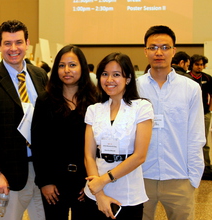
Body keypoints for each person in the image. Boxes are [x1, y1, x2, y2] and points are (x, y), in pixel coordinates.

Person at [0, 20, 48, 220]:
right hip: (9, 173)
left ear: (27, 43)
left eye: (18, 42)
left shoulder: (40, 76)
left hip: (42, 171)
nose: (13, 48)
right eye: (7, 43)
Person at [136, 25, 205, 220]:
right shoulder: (134, 87)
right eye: (153, 47)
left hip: (179, 177)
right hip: (141, 177)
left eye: (165, 47)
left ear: (173, 51)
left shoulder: (190, 88)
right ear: (145, 51)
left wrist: (194, 178)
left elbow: (196, 136)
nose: (159, 52)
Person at [84, 52, 154, 220]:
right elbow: (89, 155)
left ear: (128, 78)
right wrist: (99, 193)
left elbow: (139, 156)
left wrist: (104, 180)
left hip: (128, 191)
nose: (109, 80)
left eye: (116, 75)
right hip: (95, 192)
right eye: (105, 74)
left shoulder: (142, 107)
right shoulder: (94, 109)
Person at [31, 45, 97, 219]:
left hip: (85, 181)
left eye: (72, 65)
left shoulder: (95, 101)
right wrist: (45, 182)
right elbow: (38, 144)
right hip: (54, 183)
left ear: (82, 67)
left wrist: (93, 182)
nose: (67, 70)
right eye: (61, 65)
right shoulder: (45, 100)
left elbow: (99, 146)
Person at [187, 54, 212, 180]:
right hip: (190, 114)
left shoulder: (207, 78)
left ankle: (207, 168)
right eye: (197, 64)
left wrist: (209, 109)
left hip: (205, 114)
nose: (200, 67)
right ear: (192, 65)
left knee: (205, 142)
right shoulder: (187, 78)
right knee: (191, 140)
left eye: (202, 64)